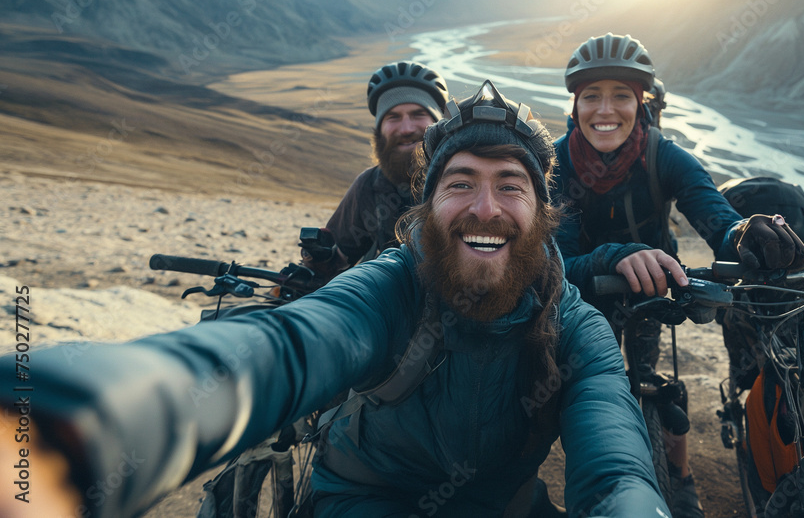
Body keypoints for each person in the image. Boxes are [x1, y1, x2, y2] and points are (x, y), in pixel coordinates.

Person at [0, 81, 672, 518]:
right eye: (460, 183)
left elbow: (615, 466)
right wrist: (98, 419)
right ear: (430, 207)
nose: (485, 208)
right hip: (365, 499)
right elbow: (289, 347)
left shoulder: (571, 323)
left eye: (511, 186)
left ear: (542, 211)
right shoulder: (390, 286)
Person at [552, 33, 804, 518]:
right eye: (591, 96)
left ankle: (682, 475)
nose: (605, 109)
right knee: (586, 385)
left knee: (650, 378)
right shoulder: (557, 166)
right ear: (575, 103)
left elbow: (716, 216)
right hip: (586, 288)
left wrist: (744, 235)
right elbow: (558, 261)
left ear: (641, 102)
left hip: (654, 285)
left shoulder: (663, 156)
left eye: (621, 95)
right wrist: (616, 255)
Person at [299, 61, 449, 282]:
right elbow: (336, 259)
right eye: (393, 117)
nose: (406, 128)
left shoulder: (465, 179)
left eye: (418, 114)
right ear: (379, 130)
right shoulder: (369, 186)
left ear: (439, 124)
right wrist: (318, 259)